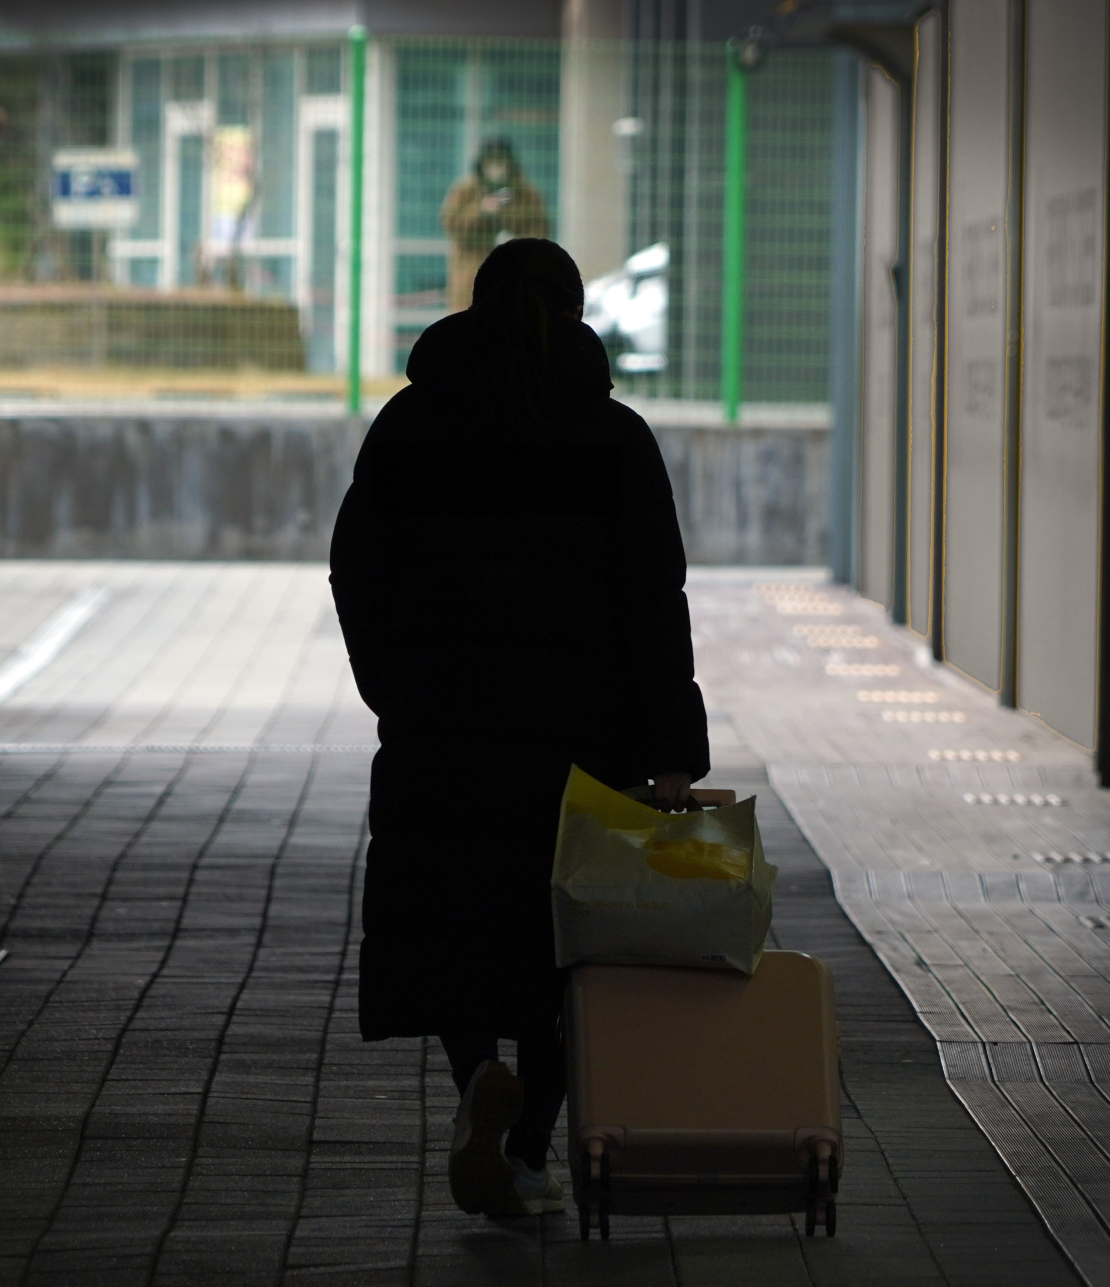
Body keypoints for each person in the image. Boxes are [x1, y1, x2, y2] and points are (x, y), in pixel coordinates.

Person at [329, 238, 709, 1219]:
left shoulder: (412, 427)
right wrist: (670, 752)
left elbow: (357, 569)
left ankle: (474, 1085)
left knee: (460, 933)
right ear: (576, 311)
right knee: (567, 947)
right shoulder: (613, 439)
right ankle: (533, 1145)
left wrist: (396, 688)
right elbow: (651, 599)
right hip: (582, 739)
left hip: (445, 733)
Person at [440, 137, 550, 312]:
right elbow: (453, 226)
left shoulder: (527, 193)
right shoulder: (465, 191)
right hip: (471, 278)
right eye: (490, 164)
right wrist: (481, 211)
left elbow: (541, 229)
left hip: (516, 278)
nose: (496, 170)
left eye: (501, 163)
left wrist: (510, 223)